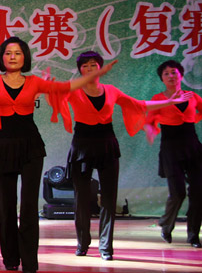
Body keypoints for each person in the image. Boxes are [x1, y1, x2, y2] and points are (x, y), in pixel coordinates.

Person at [0, 37, 113, 273]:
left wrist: (94, 75)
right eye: (8, 53)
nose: (13, 57)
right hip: (3, 146)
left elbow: (64, 87)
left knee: (28, 205)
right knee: (6, 205)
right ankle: (10, 257)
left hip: (31, 147)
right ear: (2, 58)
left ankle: (29, 261)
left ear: (25, 57)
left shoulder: (33, 82)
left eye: (18, 52)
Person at [59, 51, 188, 260]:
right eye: (85, 66)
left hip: (107, 145)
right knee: (82, 199)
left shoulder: (111, 90)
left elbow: (139, 104)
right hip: (82, 146)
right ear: (80, 70)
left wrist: (170, 102)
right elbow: (55, 94)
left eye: (93, 65)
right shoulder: (74, 89)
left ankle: (106, 247)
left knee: (109, 199)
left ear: (100, 68)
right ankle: (82, 243)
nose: (90, 69)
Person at [144, 59, 202, 249]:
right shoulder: (158, 98)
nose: (171, 76)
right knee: (178, 193)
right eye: (166, 73)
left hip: (193, 147)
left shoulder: (192, 96)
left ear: (181, 76)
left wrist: (195, 118)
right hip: (170, 148)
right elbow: (149, 122)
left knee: (198, 192)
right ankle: (166, 224)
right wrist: (150, 131)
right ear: (162, 78)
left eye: (174, 72)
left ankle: (193, 235)